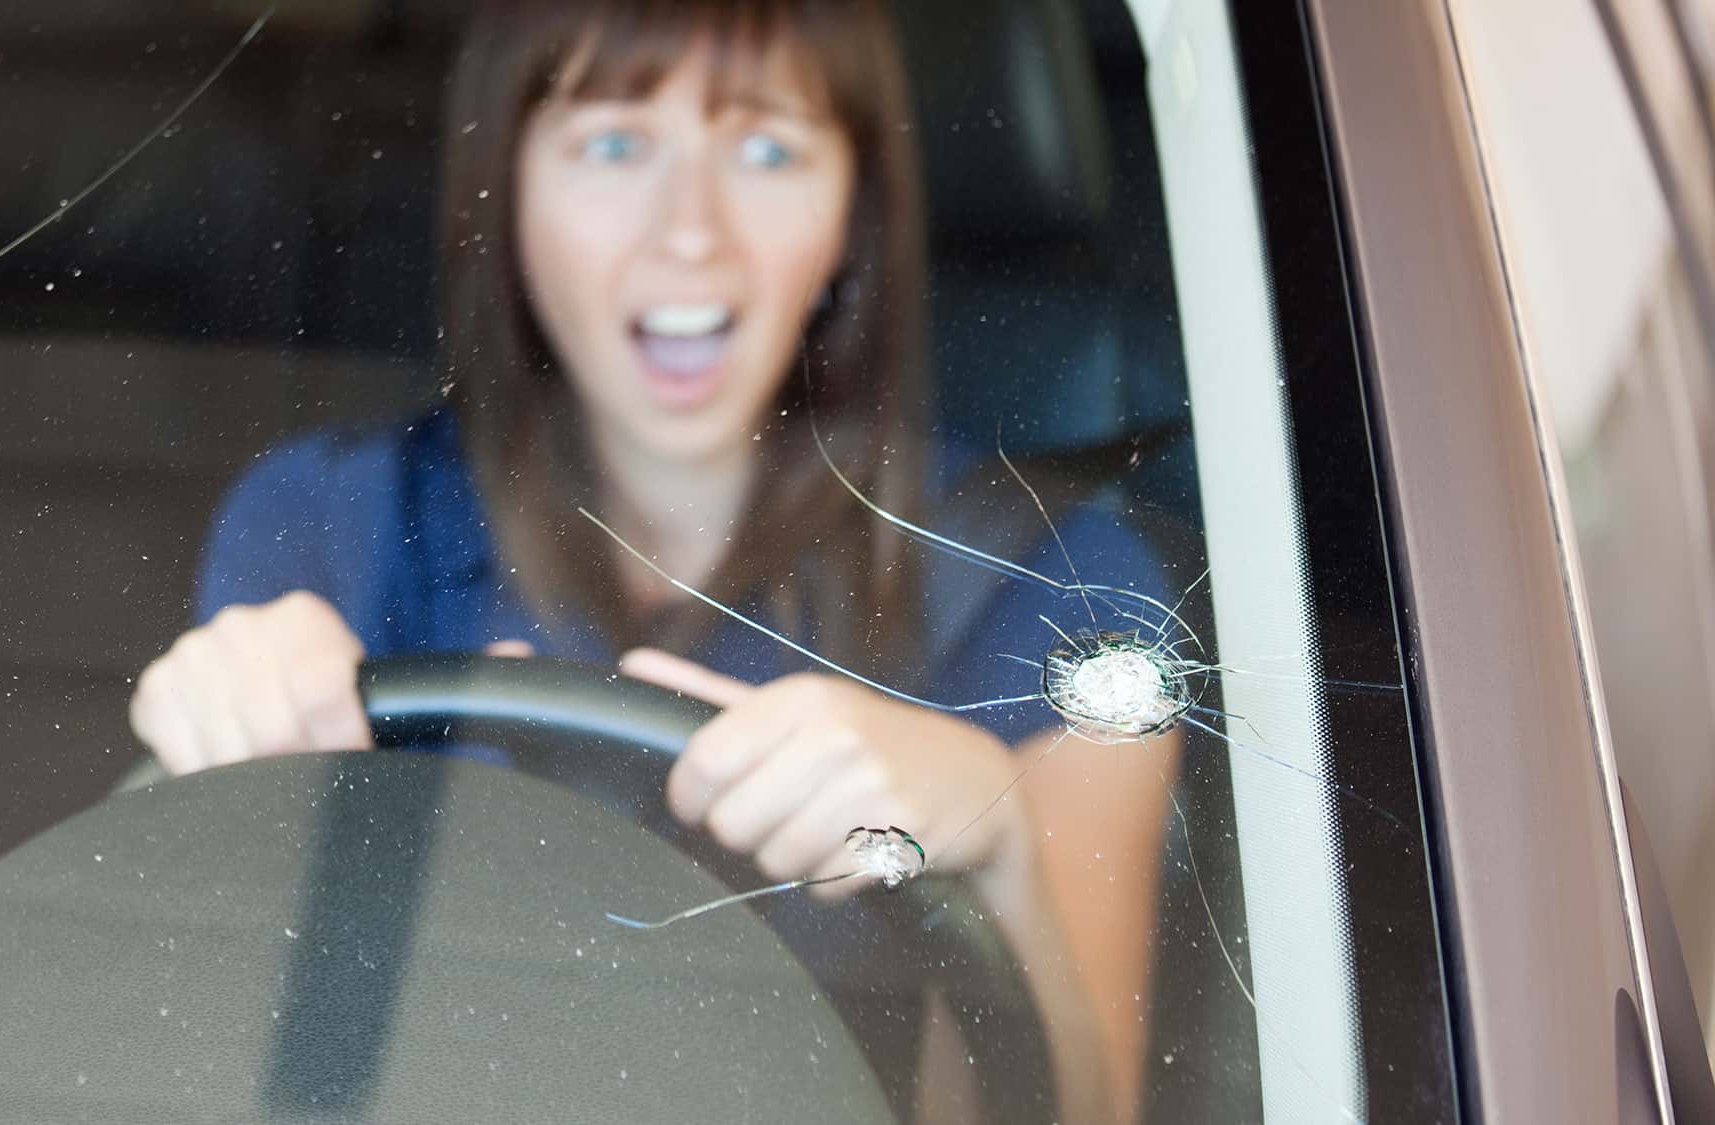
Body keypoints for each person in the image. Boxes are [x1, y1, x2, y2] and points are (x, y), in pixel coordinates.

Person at [131, 2, 1180, 1119]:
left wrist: (997, 851)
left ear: (849, 214)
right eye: (614, 144)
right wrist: (223, 736)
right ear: (510, 190)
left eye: (768, 148)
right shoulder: (327, 522)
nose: (690, 232)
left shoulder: (1066, 604)